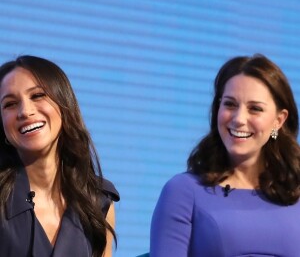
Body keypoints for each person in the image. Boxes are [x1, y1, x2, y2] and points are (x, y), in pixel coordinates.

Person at [150, 54, 300, 256]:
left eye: (255, 109)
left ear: (279, 121)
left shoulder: (296, 193)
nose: (239, 119)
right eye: (230, 104)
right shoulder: (182, 192)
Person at [0, 55, 120, 256]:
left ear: (64, 106)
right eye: (10, 104)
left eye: (37, 96)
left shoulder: (97, 200)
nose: (25, 111)